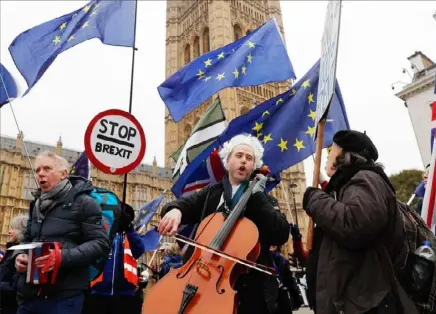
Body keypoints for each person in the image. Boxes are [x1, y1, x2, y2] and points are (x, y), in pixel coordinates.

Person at [157, 133, 290, 314]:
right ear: (228, 160)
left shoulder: (265, 200)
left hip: (252, 292)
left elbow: (281, 233)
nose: (243, 161)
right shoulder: (211, 194)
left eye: (249, 158)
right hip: (205, 282)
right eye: (239, 155)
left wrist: (257, 196)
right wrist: (174, 211)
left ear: (254, 166)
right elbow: (183, 205)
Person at [302, 130, 415, 314]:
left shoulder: (366, 178)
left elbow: (355, 224)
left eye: (331, 150)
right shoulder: (348, 186)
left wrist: (315, 200)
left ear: (342, 155)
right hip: (355, 303)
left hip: (366, 304)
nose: (327, 156)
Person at [13, 151, 110, 314]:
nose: (40, 174)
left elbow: (100, 244)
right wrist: (20, 255)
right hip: (31, 295)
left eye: (47, 168)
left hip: (64, 297)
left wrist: (62, 257)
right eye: (37, 170)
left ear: (64, 174)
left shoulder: (84, 203)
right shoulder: (37, 204)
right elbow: (28, 239)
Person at [84, 203, 145, 314]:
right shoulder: (101, 233)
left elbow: (139, 250)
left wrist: (128, 228)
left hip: (125, 294)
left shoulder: (130, 235)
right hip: (98, 292)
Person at [0, 214, 28, 314]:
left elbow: (14, 287)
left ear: (20, 231)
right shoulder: (12, 250)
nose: (9, 231)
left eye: (13, 228)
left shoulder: (20, 255)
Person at [269, 245, 303, 314]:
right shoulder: (280, 260)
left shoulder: (282, 260)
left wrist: (296, 298)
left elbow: (289, 281)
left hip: (280, 296)